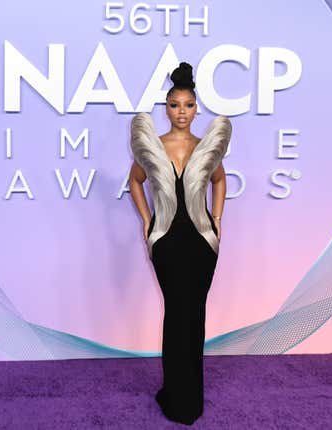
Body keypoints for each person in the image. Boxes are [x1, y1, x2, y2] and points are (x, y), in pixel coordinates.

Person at [128, 61, 232, 425]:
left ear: (196, 108)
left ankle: (191, 397)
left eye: (188, 105)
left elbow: (219, 181)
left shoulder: (206, 147)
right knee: (176, 315)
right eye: (175, 105)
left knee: (195, 315)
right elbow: (135, 182)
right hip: (168, 242)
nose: (182, 112)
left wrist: (217, 220)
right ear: (166, 108)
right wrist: (146, 220)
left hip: (202, 243)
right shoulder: (152, 146)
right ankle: (176, 396)